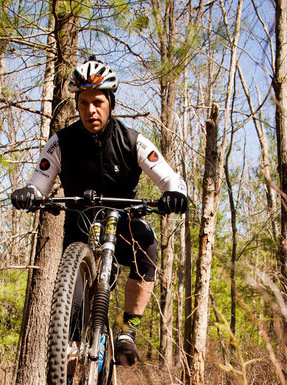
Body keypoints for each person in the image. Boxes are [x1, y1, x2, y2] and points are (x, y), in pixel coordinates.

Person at [11, 56, 188, 366]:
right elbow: (39, 181)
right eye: (83, 103)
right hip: (80, 225)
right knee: (73, 294)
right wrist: (31, 193)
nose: (90, 110)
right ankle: (71, 348)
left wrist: (175, 193)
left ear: (110, 103)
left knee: (147, 248)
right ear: (77, 105)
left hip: (124, 222)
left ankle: (126, 331)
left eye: (97, 102)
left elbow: (169, 177)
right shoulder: (61, 142)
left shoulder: (132, 140)